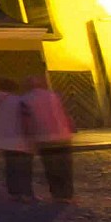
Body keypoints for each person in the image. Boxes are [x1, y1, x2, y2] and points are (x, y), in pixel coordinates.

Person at [22, 71, 76, 203]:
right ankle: (67, 194)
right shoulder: (53, 95)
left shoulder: (25, 99)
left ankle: (57, 194)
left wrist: (29, 139)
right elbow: (64, 112)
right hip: (62, 136)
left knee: (51, 167)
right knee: (65, 166)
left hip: (44, 137)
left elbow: (27, 120)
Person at [0, 78, 35, 202]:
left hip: (4, 139)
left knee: (11, 167)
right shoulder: (18, 101)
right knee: (25, 168)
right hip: (20, 139)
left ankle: (14, 193)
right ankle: (27, 193)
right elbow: (26, 120)